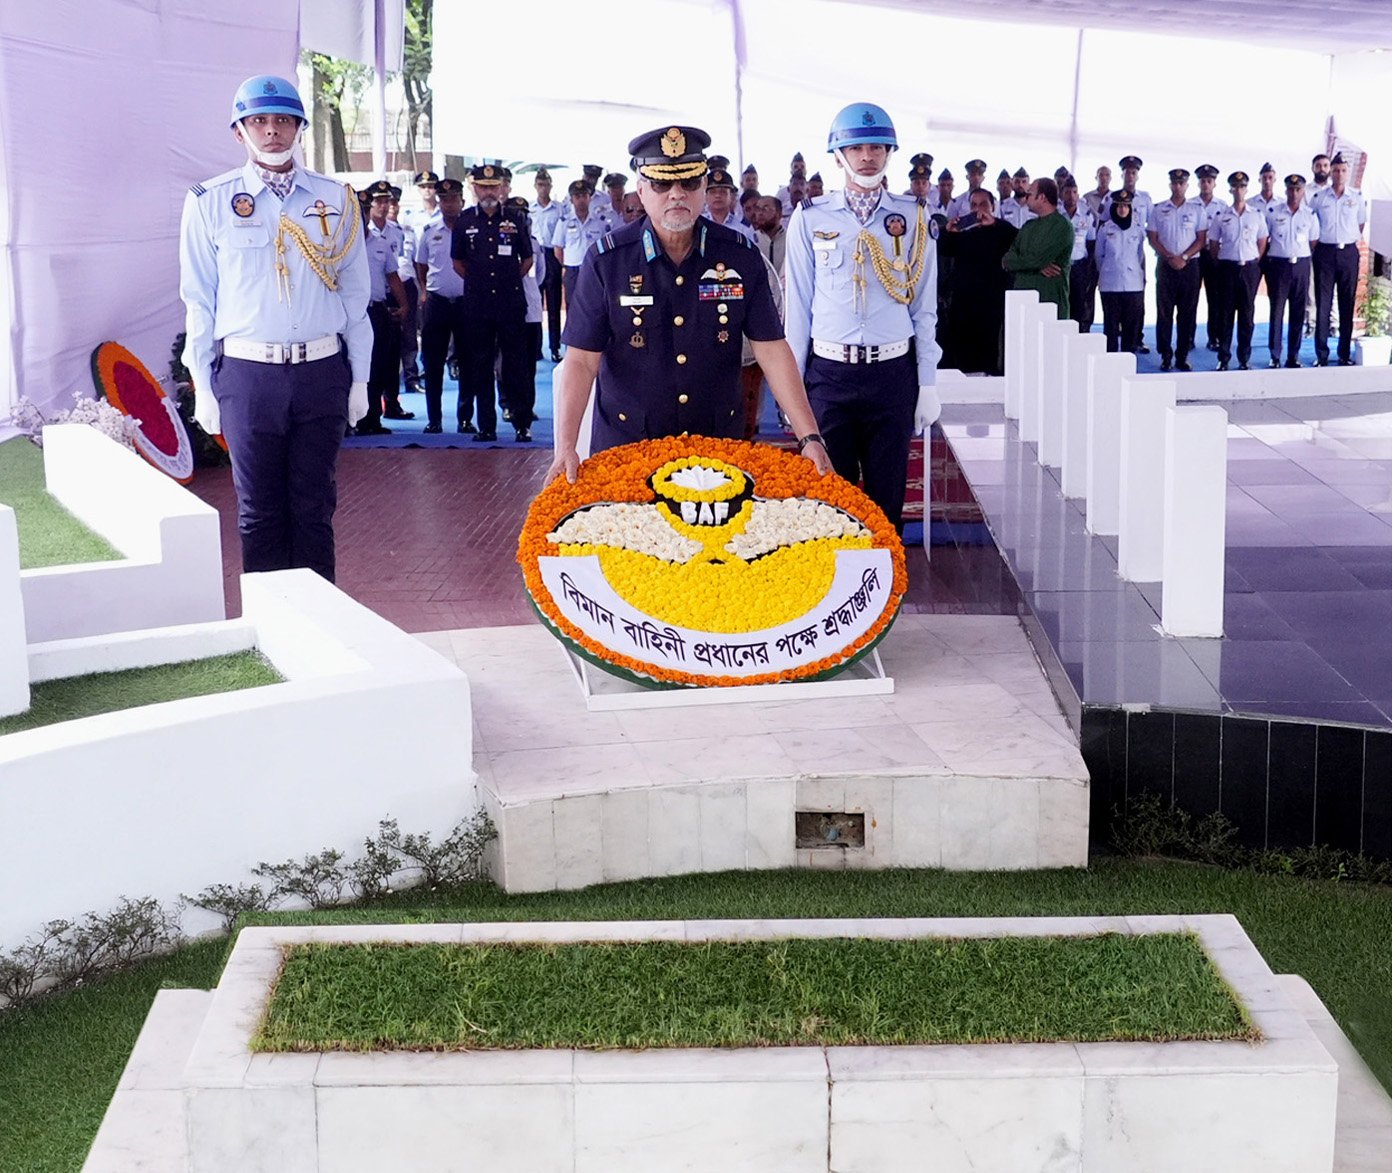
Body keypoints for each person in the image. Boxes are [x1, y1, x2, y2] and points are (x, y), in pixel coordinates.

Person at [545, 124, 830, 483]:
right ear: (642, 190)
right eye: (663, 184)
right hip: (627, 450)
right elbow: (582, 361)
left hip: (716, 450)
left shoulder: (740, 257)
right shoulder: (606, 261)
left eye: (689, 183)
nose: (677, 194)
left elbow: (771, 348)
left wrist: (809, 437)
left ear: (704, 188)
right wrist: (566, 446)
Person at [178, 74, 370, 582]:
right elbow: (198, 300)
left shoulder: (335, 199)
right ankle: (271, 629)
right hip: (249, 374)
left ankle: (321, 623)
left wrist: (361, 378)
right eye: (258, 121)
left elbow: (355, 298)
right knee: (259, 511)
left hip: (320, 371)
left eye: (283, 120)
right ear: (239, 131)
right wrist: (202, 384)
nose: (271, 131)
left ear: (300, 128)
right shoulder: (209, 202)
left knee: (313, 509)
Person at [785, 102, 941, 532]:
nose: (867, 157)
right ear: (839, 156)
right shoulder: (810, 218)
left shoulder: (914, 218)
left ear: (890, 153)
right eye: (856, 148)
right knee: (829, 500)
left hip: (892, 373)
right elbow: (797, 309)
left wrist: (927, 381)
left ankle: (888, 594)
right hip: (829, 374)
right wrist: (792, 388)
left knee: (887, 500)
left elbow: (924, 307)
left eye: (877, 147)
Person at [452, 163, 533, 441]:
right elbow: (457, 262)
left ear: (501, 188)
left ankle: (522, 423)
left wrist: (508, 280)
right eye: (483, 186)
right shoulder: (464, 221)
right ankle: (486, 425)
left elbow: (528, 258)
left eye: (493, 186)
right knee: (480, 365)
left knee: (516, 365)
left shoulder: (514, 218)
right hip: (478, 305)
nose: (488, 191)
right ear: (474, 188)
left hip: (510, 303)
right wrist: (480, 284)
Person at [939, 189, 1016, 374]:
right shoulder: (965, 232)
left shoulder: (1002, 230)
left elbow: (1016, 238)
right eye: (974, 205)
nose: (978, 209)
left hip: (991, 299)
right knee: (962, 341)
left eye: (983, 204)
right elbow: (943, 248)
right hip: (964, 299)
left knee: (988, 341)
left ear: (993, 206)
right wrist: (948, 231)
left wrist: (995, 223)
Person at [414, 178, 469, 434]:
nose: (449, 204)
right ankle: (434, 419)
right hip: (437, 303)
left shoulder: (471, 231)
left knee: (468, 362)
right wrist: (424, 291)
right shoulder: (429, 230)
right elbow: (421, 265)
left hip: (465, 303)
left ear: (462, 201)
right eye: (444, 200)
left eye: (453, 199)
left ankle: (466, 418)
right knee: (433, 363)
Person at [361, 181, 411, 429]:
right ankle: (355, 418)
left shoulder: (382, 243)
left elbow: (393, 276)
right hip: (352, 314)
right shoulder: (343, 246)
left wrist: (404, 304)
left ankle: (373, 417)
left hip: (377, 309)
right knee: (356, 366)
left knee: (379, 363)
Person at [1207, 171, 1269, 371]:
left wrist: (1253, 259)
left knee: (1247, 316)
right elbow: (1214, 244)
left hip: (1249, 268)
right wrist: (1223, 261)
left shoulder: (1256, 215)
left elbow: (1262, 242)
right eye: (1235, 186)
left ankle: (1244, 358)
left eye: (1242, 186)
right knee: (1225, 316)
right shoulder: (1222, 216)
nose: (1239, 190)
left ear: (1246, 189)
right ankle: (1223, 358)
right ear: (1230, 189)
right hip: (1227, 268)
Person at [1147, 168, 1207, 371]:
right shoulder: (1159, 209)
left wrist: (1184, 257)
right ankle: (1165, 355)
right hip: (1166, 266)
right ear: (1170, 185)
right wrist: (1169, 256)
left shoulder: (1197, 209)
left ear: (1187, 186)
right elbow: (1152, 238)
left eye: (1182, 183)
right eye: (1174, 183)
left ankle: (1182, 356)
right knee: (1164, 313)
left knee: (1187, 313)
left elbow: (1201, 239)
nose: (1178, 186)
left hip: (1189, 266)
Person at [1311, 154, 1367, 366]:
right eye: (1335, 170)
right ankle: (1322, 354)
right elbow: (1312, 224)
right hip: (1324, 252)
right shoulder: (1319, 197)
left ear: (1347, 172)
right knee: (1323, 303)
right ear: (1330, 172)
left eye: (1343, 170)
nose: (1339, 174)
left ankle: (1344, 353)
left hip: (1348, 253)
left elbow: (1360, 224)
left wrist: (1346, 238)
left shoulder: (1356, 197)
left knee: (1347, 302)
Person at [1263, 174, 1321, 369]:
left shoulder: (1310, 215)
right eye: (1291, 189)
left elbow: (1313, 241)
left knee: (1298, 312)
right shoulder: (1273, 212)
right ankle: (1275, 355)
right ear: (1286, 190)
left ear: (1303, 191)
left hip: (1301, 265)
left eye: (1298, 190)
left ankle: (1293, 355)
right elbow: (1265, 237)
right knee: (1277, 311)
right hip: (1279, 265)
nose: (1294, 193)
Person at [1001, 177, 1072, 318]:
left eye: (1030, 195)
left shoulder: (1061, 226)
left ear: (1042, 197)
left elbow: (1037, 259)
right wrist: (1037, 266)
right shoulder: (1028, 226)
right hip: (1022, 302)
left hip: (1049, 301)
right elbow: (1007, 260)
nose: (1026, 198)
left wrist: (1025, 264)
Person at [1095, 190, 1147, 354]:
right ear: (1114, 207)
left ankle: (1128, 359)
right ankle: (1110, 361)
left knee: (1130, 327)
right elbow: (1099, 255)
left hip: (1132, 284)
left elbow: (1140, 255)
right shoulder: (1105, 229)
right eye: (1119, 206)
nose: (1123, 209)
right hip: (1110, 284)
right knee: (1110, 326)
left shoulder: (1137, 229)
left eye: (1126, 206)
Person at [386, 187, 424, 401]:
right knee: (389, 340)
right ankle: (390, 387)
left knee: (410, 334)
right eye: (386, 203)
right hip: (386, 288)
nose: (391, 207)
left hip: (407, 284)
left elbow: (417, 262)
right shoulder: (373, 233)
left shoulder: (407, 231)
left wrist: (421, 289)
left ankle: (412, 377)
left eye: (394, 203)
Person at [552, 178, 609, 309]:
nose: (581, 199)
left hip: (594, 270)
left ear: (590, 198)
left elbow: (605, 248)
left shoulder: (600, 222)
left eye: (584, 195)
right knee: (572, 306)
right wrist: (567, 265)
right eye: (577, 196)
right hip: (573, 270)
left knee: (594, 306)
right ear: (571, 200)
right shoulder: (564, 222)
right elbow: (558, 249)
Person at [1191, 164, 1229, 352]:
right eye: (1203, 181)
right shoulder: (1190, 205)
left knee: (1215, 298)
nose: (1205, 184)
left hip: (1214, 255)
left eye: (1209, 181)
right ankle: (1188, 336)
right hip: (1194, 256)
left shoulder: (1222, 207)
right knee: (1190, 298)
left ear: (1214, 184)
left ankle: (1214, 337)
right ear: (1198, 183)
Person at [530, 168, 566, 362]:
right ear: (535, 186)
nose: (543, 188)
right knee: (535, 302)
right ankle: (535, 347)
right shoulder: (529, 207)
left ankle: (554, 347)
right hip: (534, 254)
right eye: (540, 184)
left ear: (551, 186)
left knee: (553, 304)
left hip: (551, 254)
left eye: (546, 184)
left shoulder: (559, 208)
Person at [1059, 176, 1098, 333]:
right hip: (1060, 267)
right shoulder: (1056, 216)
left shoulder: (1086, 216)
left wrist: (1088, 270)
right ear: (1062, 194)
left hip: (1079, 267)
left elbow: (1091, 242)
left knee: (1079, 305)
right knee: (1062, 304)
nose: (1072, 195)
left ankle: (1079, 337)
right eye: (1068, 192)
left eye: (1075, 192)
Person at [704, 166, 757, 241]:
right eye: (713, 192)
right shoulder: (697, 225)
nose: (718, 195)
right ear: (705, 197)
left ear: (732, 197)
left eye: (723, 192)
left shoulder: (744, 226)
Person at [751, 194, 787, 275]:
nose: (760, 213)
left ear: (779, 213)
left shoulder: (790, 239)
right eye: (758, 209)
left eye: (765, 209)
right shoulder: (751, 239)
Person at [400, 170, 440, 236]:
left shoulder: (444, 212)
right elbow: (408, 240)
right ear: (418, 189)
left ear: (436, 189)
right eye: (423, 187)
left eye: (430, 187)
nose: (427, 190)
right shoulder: (411, 215)